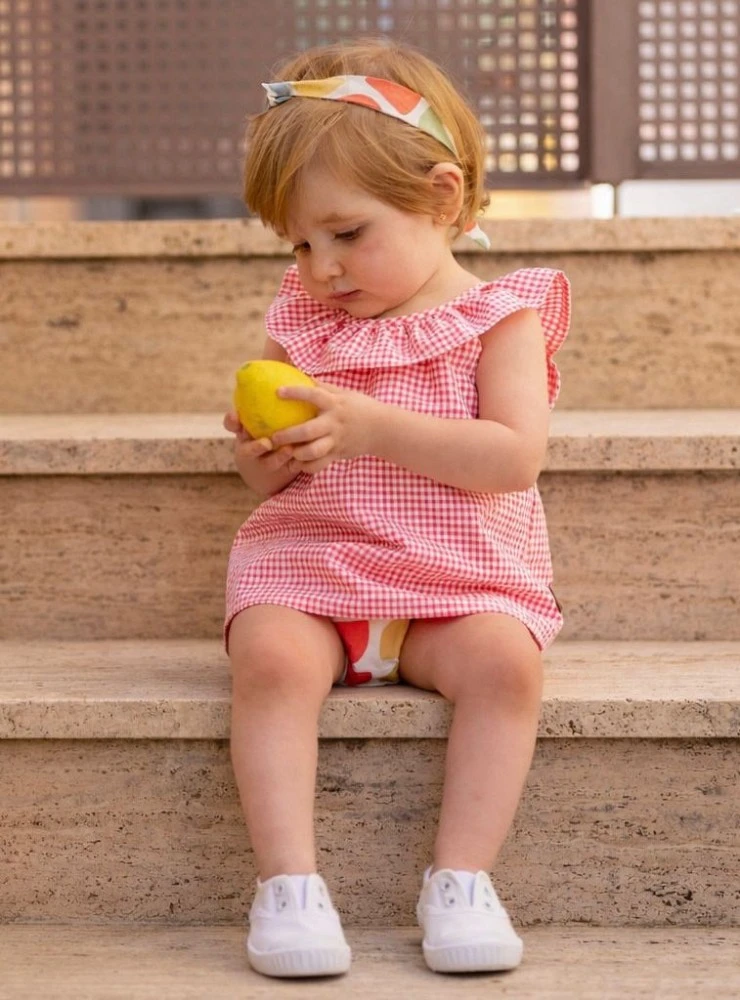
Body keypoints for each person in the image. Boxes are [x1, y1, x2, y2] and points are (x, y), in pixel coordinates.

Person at [222, 37, 570, 979]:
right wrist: (266, 455)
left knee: (506, 666)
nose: (321, 267)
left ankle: (462, 879)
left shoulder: (502, 316)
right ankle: (288, 885)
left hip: (451, 586)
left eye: (346, 232)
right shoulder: (302, 319)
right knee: (267, 656)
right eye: (299, 243)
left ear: (441, 199)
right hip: (317, 572)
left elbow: (511, 459)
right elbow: (272, 485)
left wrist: (371, 426)